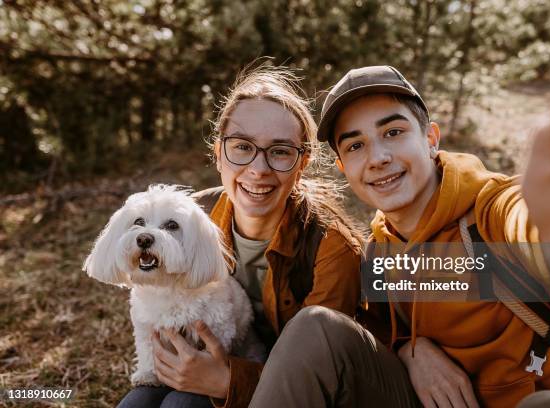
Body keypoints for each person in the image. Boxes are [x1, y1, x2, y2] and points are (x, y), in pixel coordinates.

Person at [248, 66, 550, 407]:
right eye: (355, 145)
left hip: (545, 398)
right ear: (344, 167)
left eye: (393, 132)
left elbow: (534, 229)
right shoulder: (380, 251)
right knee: (316, 329)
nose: (377, 157)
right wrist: (411, 350)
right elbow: (382, 333)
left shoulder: (492, 211)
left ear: (430, 138)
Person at [117, 65, 364, 408]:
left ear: (302, 163)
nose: (258, 170)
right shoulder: (192, 218)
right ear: (218, 152)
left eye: (280, 151)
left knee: (183, 405)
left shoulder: (334, 250)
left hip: (288, 390)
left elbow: (321, 374)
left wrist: (228, 381)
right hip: (202, 363)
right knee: (137, 403)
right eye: (242, 147)